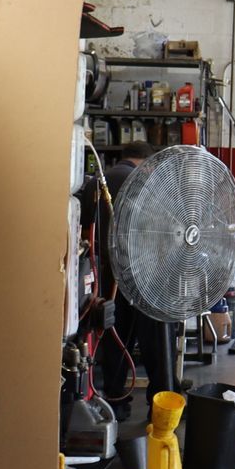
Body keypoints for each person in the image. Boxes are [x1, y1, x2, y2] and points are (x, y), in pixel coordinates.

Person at [103, 140, 183, 418]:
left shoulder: (101, 178)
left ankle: (114, 402)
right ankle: (162, 403)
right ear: (146, 164)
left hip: (107, 278)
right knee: (157, 342)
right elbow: (159, 226)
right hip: (142, 274)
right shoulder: (140, 181)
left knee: (115, 338)